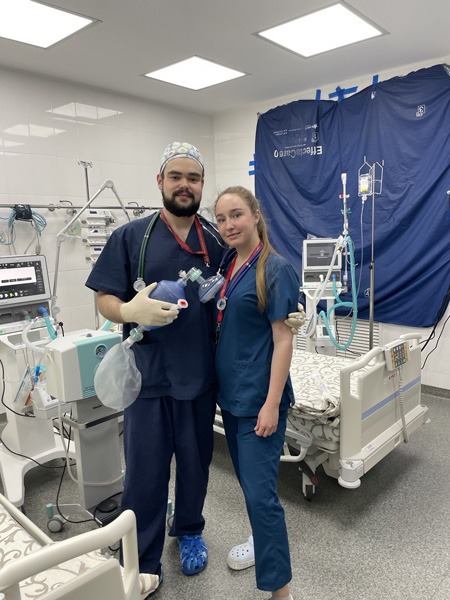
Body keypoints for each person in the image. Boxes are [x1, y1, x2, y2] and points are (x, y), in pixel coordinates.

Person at [85, 142, 226, 598]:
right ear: (160, 181)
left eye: (193, 178)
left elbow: (249, 278)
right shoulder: (130, 237)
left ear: (201, 185)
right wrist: (128, 310)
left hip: (198, 375)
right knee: (145, 472)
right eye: (176, 177)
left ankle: (189, 530)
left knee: (196, 464)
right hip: (146, 376)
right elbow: (104, 297)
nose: (185, 185)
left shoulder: (217, 241)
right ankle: (141, 556)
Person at [214, 186, 298, 600]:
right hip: (232, 397)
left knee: (262, 498)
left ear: (255, 216)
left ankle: (281, 592)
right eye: (221, 219)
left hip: (258, 402)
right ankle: (259, 545)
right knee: (251, 489)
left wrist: (270, 405)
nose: (229, 225)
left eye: (236, 215)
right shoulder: (228, 264)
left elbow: (283, 340)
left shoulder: (275, 269)